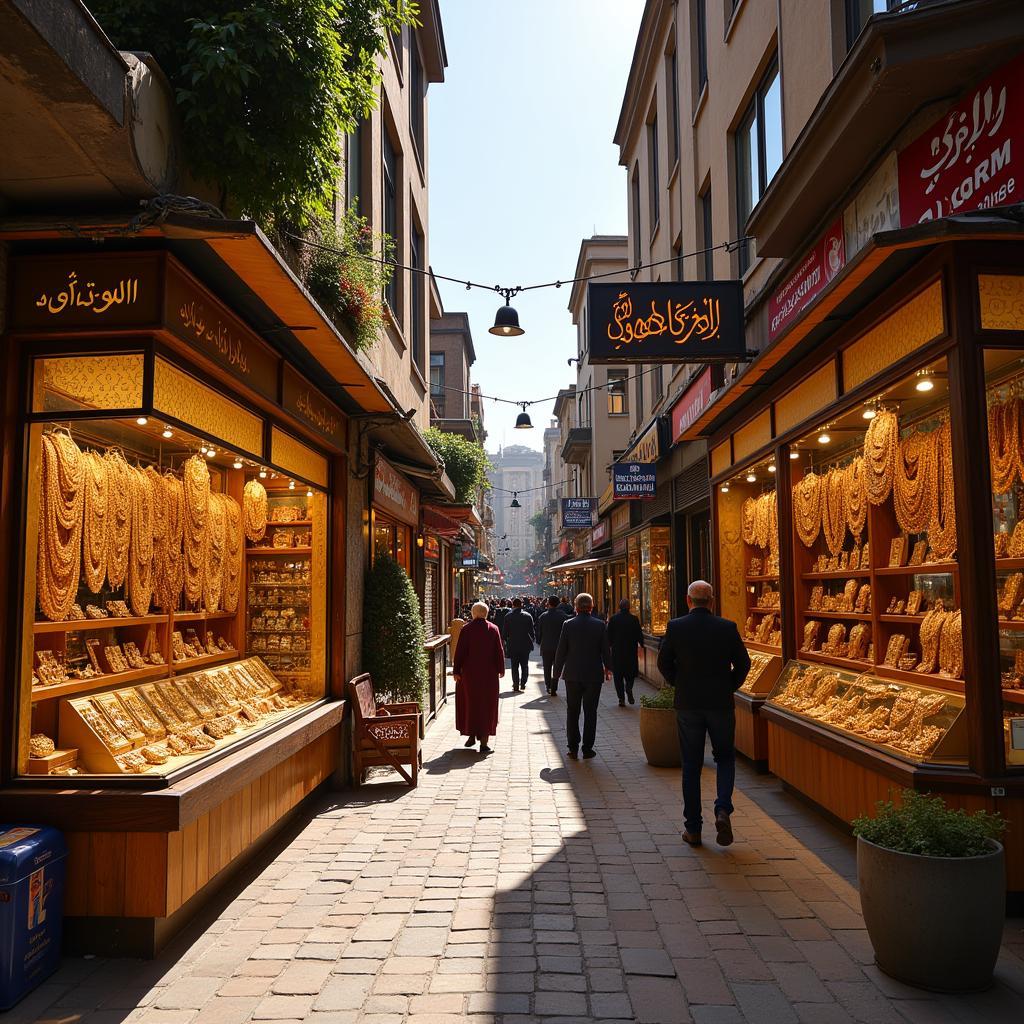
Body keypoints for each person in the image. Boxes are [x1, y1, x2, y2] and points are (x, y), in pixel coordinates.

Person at [657, 580, 751, 848]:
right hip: (720, 703)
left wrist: (679, 683)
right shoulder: (726, 627)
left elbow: (663, 662)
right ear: (712, 601)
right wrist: (728, 685)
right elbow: (744, 663)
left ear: (688, 601)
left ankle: (693, 829)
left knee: (691, 765)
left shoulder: (676, 627)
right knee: (725, 758)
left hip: (688, 704)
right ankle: (722, 808)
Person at [553, 593, 613, 760]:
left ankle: (573, 747)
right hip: (593, 674)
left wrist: (556, 673)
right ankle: (587, 748)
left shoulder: (568, 624)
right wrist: (608, 668)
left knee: (572, 711)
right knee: (590, 712)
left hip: (572, 674)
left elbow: (561, 651)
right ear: (591, 606)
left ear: (576, 607)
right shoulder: (600, 625)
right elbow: (605, 650)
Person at [453, 601, 505, 754]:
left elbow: (460, 652)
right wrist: (501, 669)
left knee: (470, 703)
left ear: (473, 613)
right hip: (489, 674)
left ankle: (470, 734)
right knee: (486, 705)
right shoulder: (493, 629)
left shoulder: (466, 629)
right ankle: (484, 741)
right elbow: (499, 651)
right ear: (486, 613)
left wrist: (456, 671)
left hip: (469, 674)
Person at [607, 598, 644, 706]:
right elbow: (639, 634)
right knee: (630, 673)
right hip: (630, 652)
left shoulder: (613, 619)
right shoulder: (634, 619)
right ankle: (628, 687)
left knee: (618, 677)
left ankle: (621, 699)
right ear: (629, 607)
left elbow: (609, 636)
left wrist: (608, 647)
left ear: (619, 607)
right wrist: (641, 644)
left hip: (617, 652)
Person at [502, 598, 536, 692]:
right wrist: (532, 640)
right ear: (521, 605)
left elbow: (504, 633)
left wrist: (506, 641)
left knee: (514, 666)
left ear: (513, 605)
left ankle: (516, 684)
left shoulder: (508, 616)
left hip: (513, 644)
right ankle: (523, 683)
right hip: (525, 644)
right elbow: (532, 632)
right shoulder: (528, 616)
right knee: (525, 665)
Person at [538, 596, 569, 696]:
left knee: (547, 667)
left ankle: (548, 686)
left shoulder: (543, 616)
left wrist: (539, 642)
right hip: (559, 647)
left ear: (548, 603)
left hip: (546, 646)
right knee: (557, 667)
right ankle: (554, 686)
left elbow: (538, 632)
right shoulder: (563, 616)